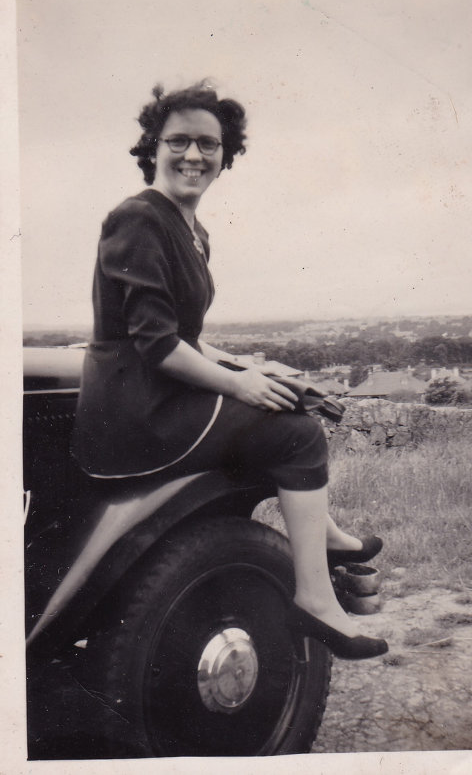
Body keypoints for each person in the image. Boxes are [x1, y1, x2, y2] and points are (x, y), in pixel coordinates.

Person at [71, 81, 387, 659]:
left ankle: (326, 536)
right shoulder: (139, 219)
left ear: (225, 155)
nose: (194, 155)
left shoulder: (191, 230)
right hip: (136, 413)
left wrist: (253, 365)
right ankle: (315, 600)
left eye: (209, 145)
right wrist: (241, 382)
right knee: (297, 432)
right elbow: (158, 345)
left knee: (288, 396)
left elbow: (188, 338)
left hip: (154, 399)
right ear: (153, 147)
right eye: (179, 141)